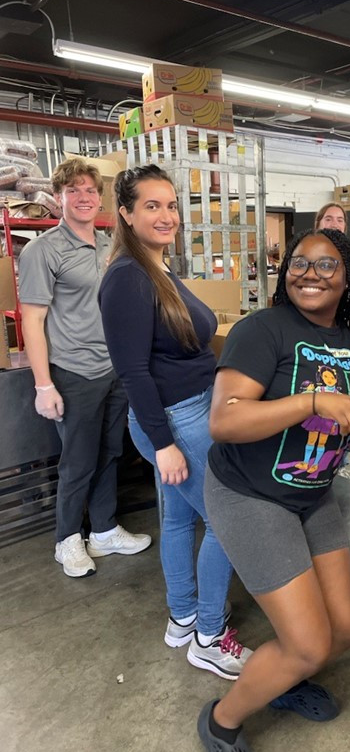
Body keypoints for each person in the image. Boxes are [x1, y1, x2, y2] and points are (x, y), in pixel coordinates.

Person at [197, 228, 350, 752]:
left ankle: (281, 680)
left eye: (327, 266)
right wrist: (312, 402)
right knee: (307, 643)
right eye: (299, 263)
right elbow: (224, 421)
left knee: (345, 629)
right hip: (250, 495)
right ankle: (222, 721)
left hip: (314, 492)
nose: (309, 273)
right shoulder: (263, 330)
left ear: (348, 277)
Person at [98, 165, 251, 679]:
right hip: (174, 420)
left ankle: (183, 617)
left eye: (170, 205)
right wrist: (163, 443)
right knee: (230, 519)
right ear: (125, 213)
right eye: (151, 206)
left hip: (190, 410)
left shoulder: (157, 268)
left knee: (181, 519)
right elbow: (132, 370)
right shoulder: (127, 277)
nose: (166, 216)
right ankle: (209, 635)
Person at [19, 158, 151, 579]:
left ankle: (105, 529)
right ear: (58, 198)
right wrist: (43, 385)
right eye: (73, 190)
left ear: (101, 199)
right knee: (77, 460)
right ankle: (67, 539)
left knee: (110, 454)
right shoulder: (44, 251)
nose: (83, 198)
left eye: (91, 191)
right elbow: (32, 320)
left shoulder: (109, 246)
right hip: (73, 372)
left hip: (113, 369)